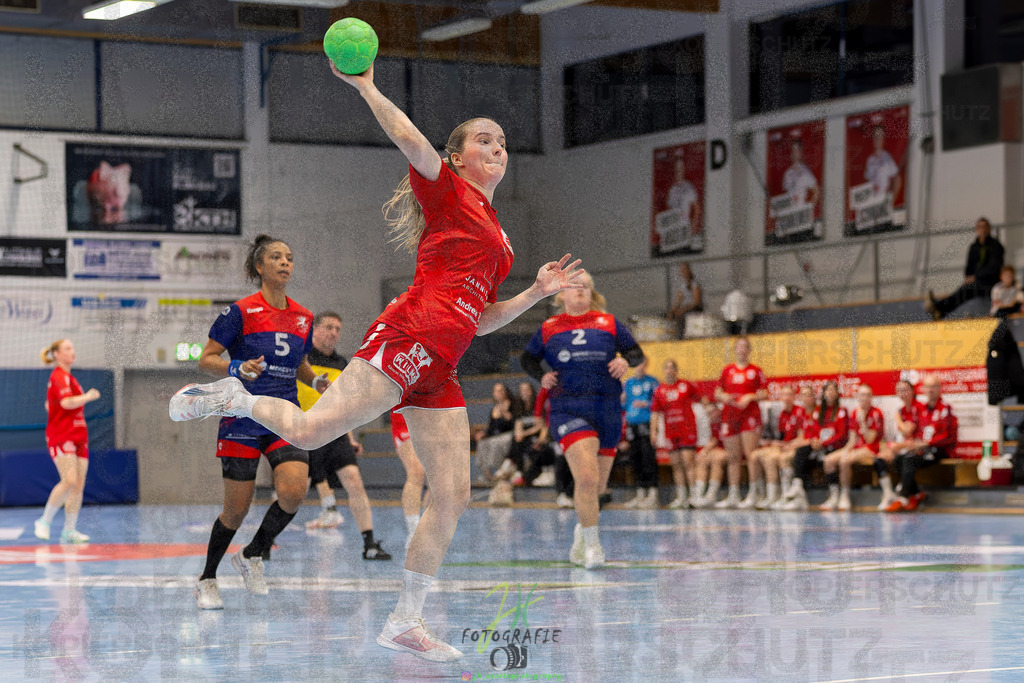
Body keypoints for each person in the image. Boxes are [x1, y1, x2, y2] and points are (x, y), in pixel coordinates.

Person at [170, 58, 584, 661]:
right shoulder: (448, 191)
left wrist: (535, 294)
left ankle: (405, 620)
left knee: (454, 495)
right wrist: (366, 86)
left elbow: (479, 315)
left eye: (501, 140)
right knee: (309, 431)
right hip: (408, 336)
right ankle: (236, 397)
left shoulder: (500, 237)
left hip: (442, 367)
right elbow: (410, 139)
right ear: (457, 157)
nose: (497, 146)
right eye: (483, 139)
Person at [180, 235, 321, 611]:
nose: (285, 262)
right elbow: (206, 358)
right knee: (236, 510)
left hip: (284, 415)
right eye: (276, 257)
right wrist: (235, 367)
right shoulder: (240, 312)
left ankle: (252, 553)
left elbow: (300, 365)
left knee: (294, 490)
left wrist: (316, 382)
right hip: (242, 415)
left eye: (289, 257)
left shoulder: (304, 317)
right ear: (259, 267)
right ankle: (207, 579)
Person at [521, 273, 645, 568]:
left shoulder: (608, 322)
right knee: (587, 478)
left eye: (586, 287)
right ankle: (593, 546)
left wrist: (624, 361)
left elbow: (635, 353)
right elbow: (528, 359)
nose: (580, 290)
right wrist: (542, 376)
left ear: (592, 293)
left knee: (597, 488)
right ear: (562, 294)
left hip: (607, 410)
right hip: (568, 408)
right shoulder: (549, 327)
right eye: (574, 286)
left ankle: (582, 530)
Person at [299, 311, 391, 561]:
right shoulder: (302, 358)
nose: (334, 333)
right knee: (294, 492)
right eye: (329, 327)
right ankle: (264, 541)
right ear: (315, 330)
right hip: (306, 431)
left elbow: (344, 404)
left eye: (338, 329)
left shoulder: (342, 364)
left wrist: (350, 437)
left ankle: (369, 544)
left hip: (336, 432)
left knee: (354, 481)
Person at [34, 339, 101, 544]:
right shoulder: (58, 376)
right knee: (69, 480)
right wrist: (88, 396)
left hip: (79, 435)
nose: (72, 352)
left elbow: (52, 404)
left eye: (73, 348)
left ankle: (69, 530)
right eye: (68, 348)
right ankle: (44, 521)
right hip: (62, 435)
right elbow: (66, 402)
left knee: (79, 484)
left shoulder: (70, 378)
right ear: (57, 354)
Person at [884, 375, 958, 512]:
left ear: (939, 388)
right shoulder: (922, 410)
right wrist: (914, 443)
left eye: (933, 386)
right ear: (923, 389)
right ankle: (917, 494)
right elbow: (917, 432)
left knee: (910, 459)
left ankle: (903, 497)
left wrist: (926, 443)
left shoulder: (945, 409)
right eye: (927, 387)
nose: (930, 390)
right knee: (898, 460)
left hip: (939, 449)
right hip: (923, 448)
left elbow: (948, 437)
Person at [714, 337, 768, 509]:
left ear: (749, 350)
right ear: (735, 350)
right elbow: (717, 392)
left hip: (750, 416)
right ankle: (733, 494)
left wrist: (750, 396)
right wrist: (724, 397)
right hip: (730, 416)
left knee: (751, 454)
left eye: (745, 347)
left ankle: (754, 493)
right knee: (733, 457)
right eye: (739, 347)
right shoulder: (727, 370)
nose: (742, 349)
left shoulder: (755, 371)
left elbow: (765, 393)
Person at [780, 381, 848, 511]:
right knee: (801, 456)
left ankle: (835, 497)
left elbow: (841, 435)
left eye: (833, 390)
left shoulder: (841, 411)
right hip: (820, 447)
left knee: (825, 460)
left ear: (837, 393)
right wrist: (816, 441)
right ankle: (799, 493)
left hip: (834, 447)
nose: (830, 393)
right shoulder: (820, 412)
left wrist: (822, 443)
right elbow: (815, 431)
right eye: (827, 390)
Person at [926, 218, 1005, 320]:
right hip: (977, 283)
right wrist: (968, 278)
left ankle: (938, 308)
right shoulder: (974, 247)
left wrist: (976, 277)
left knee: (965, 290)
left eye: (985, 227)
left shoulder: (995, 246)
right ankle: (939, 310)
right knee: (964, 289)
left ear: (989, 229)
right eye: (980, 227)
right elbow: (968, 268)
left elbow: (994, 268)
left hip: (990, 284)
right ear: (977, 230)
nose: (983, 230)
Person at [820, 385, 884, 511]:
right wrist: (845, 450)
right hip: (857, 448)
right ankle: (834, 496)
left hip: (871, 449)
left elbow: (870, 439)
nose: (864, 398)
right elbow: (852, 440)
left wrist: (863, 422)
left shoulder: (876, 413)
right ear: (857, 397)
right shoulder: (855, 412)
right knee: (829, 460)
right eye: (862, 395)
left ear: (871, 397)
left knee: (845, 460)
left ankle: (845, 495)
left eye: (867, 395)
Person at [650, 359, 702, 509]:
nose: (669, 370)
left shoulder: (685, 385)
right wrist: (653, 432)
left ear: (676, 370)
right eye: (666, 368)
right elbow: (655, 413)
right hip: (671, 431)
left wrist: (710, 409)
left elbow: (701, 398)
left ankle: (694, 495)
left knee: (688, 462)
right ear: (663, 371)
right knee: (676, 464)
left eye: (672, 367)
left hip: (687, 429)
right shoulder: (659, 391)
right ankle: (681, 496)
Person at [748, 385, 803, 509]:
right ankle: (761, 494)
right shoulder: (783, 413)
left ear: (794, 397)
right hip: (784, 445)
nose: (786, 398)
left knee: (771, 459)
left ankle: (783, 495)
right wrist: (774, 443)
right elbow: (782, 436)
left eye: (789, 395)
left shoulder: (799, 411)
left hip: (794, 446)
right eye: (784, 395)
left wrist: (786, 445)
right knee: (754, 455)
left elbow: (801, 437)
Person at [874, 379, 922, 511]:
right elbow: (900, 434)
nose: (903, 393)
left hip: (916, 448)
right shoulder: (901, 410)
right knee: (879, 459)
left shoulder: (918, 408)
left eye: (905, 389)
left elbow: (909, 432)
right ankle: (888, 494)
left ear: (912, 391)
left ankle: (904, 494)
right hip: (903, 446)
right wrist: (893, 446)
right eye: (899, 390)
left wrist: (898, 419)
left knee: (903, 459)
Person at [621, 358, 660, 509]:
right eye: (636, 364)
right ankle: (640, 493)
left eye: (642, 363)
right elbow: (623, 404)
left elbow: (659, 402)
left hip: (646, 423)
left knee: (648, 457)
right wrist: (620, 400)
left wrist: (647, 404)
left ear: (646, 365)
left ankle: (653, 493)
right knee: (635, 458)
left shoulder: (652, 382)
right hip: (632, 424)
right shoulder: (628, 383)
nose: (639, 366)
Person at [390, 411, 430, 548]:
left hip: (432, 415)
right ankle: (414, 531)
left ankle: (427, 527)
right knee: (416, 472)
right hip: (407, 414)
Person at [474, 383, 519, 482]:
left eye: (500, 390)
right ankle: (488, 475)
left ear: (505, 392)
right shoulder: (494, 408)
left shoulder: (513, 404)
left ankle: (498, 471)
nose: (498, 393)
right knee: (482, 443)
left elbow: (514, 422)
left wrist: (505, 414)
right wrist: (483, 433)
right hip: (496, 436)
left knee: (495, 443)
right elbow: (491, 427)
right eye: (496, 391)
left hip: (509, 434)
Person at [865, 124, 902, 203]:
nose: (877, 139)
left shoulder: (887, 157)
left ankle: (888, 205)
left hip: (884, 198)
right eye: (876, 136)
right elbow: (867, 180)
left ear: (883, 139)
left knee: (897, 179)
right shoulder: (869, 160)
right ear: (873, 138)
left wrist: (890, 199)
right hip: (871, 198)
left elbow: (896, 178)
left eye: (880, 136)